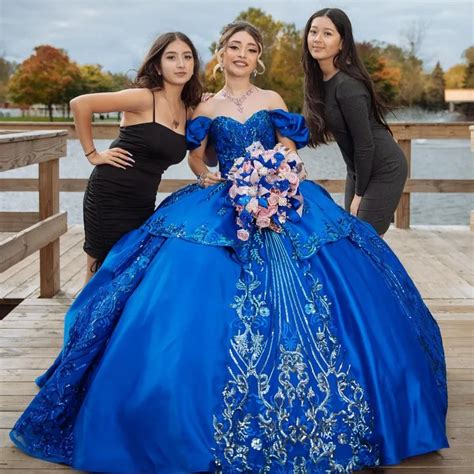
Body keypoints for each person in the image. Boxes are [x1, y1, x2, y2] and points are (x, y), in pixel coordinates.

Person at [10, 21, 447, 473]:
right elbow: (199, 154)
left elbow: (286, 145)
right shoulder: (201, 103)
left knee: (337, 278)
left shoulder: (272, 100)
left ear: (259, 57)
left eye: (251, 48)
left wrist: (282, 165)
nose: (242, 54)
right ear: (221, 54)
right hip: (224, 196)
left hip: (279, 197)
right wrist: (204, 172)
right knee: (184, 286)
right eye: (234, 46)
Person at [70, 32, 202, 282]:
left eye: (187, 57)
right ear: (157, 66)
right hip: (109, 196)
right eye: (171, 57)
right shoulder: (144, 97)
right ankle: (79, 321)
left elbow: (205, 147)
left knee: (128, 275)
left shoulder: (189, 110)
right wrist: (92, 154)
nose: (181, 64)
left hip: (142, 203)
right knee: (100, 273)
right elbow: (80, 104)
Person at [302, 8, 408, 237]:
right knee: (350, 237)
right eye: (313, 32)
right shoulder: (319, 82)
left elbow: (365, 144)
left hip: (384, 168)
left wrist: (359, 194)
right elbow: (306, 128)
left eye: (327, 34)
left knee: (363, 239)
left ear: (342, 43)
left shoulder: (347, 86)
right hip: (358, 169)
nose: (317, 39)